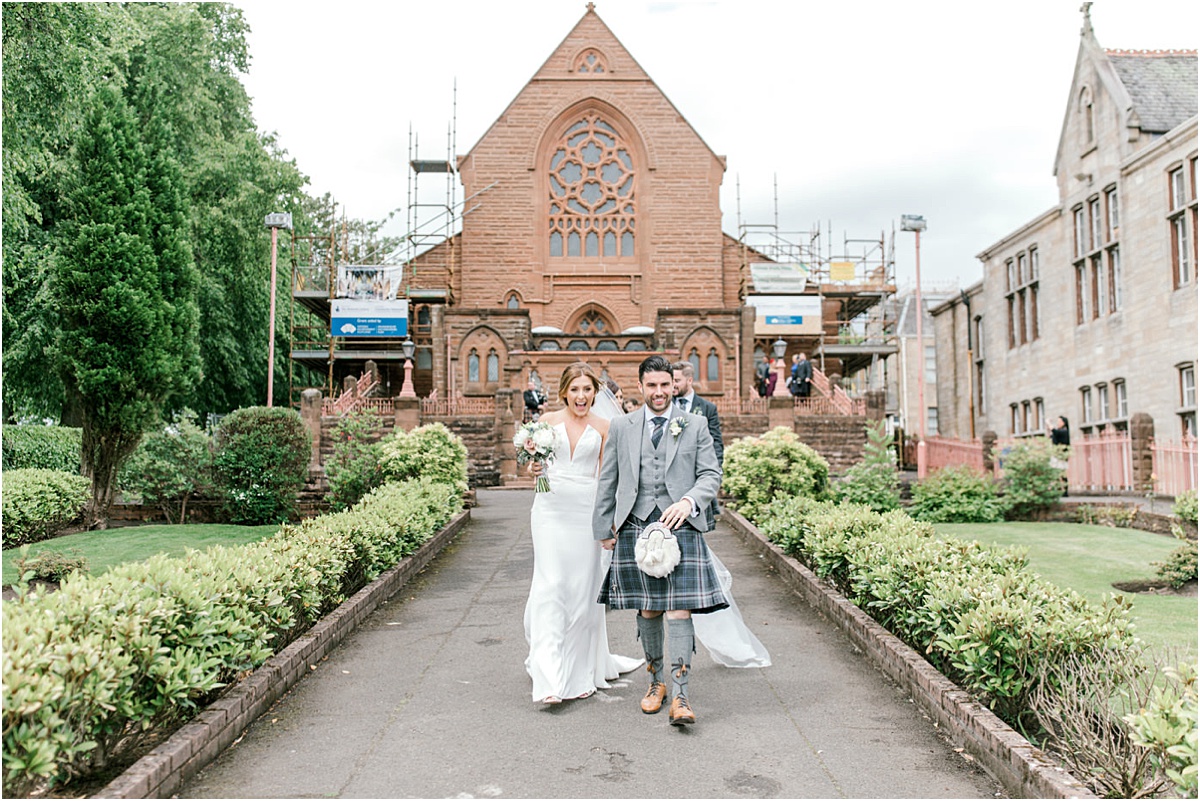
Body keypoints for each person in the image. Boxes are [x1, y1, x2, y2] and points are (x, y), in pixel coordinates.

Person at [593, 354, 726, 727]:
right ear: (641, 386)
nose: (659, 392)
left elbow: (711, 474)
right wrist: (604, 528)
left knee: (679, 609)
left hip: (680, 526)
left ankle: (681, 693)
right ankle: (656, 683)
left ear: (675, 385)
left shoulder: (694, 423)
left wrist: (689, 501)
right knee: (649, 609)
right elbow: (609, 479)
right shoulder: (622, 426)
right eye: (651, 385)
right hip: (635, 525)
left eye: (665, 385)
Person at [524, 363, 642, 704]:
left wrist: (608, 524)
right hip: (549, 510)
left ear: (595, 392)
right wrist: (533, 467)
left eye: (587, 389)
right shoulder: (546, 422)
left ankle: (578, 673)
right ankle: (548, 679)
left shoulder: (606, 427)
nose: (581, 396)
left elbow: (607, 479)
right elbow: (533, 464)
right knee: (550, 585)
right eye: (575, 390)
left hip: (586, 514)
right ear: (564, 391)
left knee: (581, 591)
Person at [672, 361, 724, 524]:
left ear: (689, 380)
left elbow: (716, 441)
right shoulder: (664, 405)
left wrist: (715, 469)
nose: (672, 385)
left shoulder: (707, 408)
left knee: (699, 524)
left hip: (697, 474)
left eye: (677, 381)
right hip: (672, 474)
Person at [1049, 416, 1071, 496]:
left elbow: (1054, 431)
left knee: (1062, 473)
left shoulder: (1064, 431)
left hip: (1061, 455)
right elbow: (1053, 435)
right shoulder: (1059, 431)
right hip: (1056, 454)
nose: (1058, 423)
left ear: (1063, 423)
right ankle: (1059, 490)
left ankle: (1065, 491)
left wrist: (1049, 423)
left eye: (1059, 421)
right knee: (1056, 473)